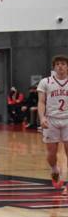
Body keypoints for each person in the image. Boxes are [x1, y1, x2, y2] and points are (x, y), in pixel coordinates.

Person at [37, 55, 68, 189]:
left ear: (67, 66)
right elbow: (41, 102)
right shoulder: (46, 82)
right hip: (51, 120)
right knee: (51, 152)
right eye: (57, 64)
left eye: (63, 64)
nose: (60, 66)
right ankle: (55, 169)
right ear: (54, 67)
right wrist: (42, 117)